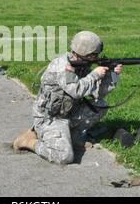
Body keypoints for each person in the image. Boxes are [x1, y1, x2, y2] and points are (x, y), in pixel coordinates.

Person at [13, 31, 123, 165]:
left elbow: (99, 93)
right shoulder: (63, 66)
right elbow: (76, 90)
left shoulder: (82, 65)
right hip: (51, 118)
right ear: (85, 53)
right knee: (64, 157)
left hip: (69, 112)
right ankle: (29, 141)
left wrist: (112, 76)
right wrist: (95, 75)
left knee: (100, 105)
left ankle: (76, 138)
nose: (96, 58)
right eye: (94, 55)